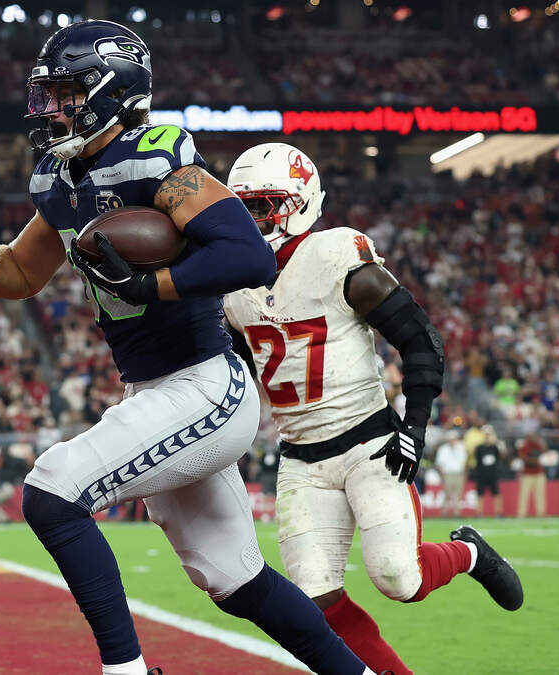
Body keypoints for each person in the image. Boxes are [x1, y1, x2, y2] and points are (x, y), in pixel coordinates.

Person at [0, 21, 370, 675]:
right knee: (236, 579)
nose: (51, 108)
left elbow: (249, 255)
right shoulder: (60, 179)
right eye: (47, 94)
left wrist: (154, 283)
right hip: (155, 389)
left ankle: (127, 670)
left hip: (204, 382)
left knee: (52, 491)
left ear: (112, 91)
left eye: (66, 93)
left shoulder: (156, 158)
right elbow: (23, 272)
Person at [221, 142, 522, 675]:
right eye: (243, 207)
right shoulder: (231, 284)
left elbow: (421, 341)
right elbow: (239, 369)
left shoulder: (336, 258)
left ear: (300, 203)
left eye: (264, 205)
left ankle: (469, 553)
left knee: (399, 578)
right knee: (315, 603)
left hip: (369, 443)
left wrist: (415, 426)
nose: (253, 220)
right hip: (300, 458)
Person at [434, 430, 468, 517]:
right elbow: (439, 463)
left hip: (458, 473)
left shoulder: (461, 447)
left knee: (458, 493)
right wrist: (442, 475)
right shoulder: (443, 449)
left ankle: (457, 512)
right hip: (447, 473)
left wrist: (464, 474)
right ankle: (444, 512)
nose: (452, 441)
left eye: (454, 439)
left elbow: (464, 462)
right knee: (447, 493)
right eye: (451, 439)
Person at [473, 425, 503, 517]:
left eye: (488, 434)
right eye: (485, 434)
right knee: (480, 493)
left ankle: (498, 512)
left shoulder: (495, 447)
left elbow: (499, 458)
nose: (487, 436)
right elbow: (477, 460)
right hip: (482, 474)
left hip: (493, 474)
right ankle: (479, 513)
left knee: (496, 493)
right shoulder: (479, 448)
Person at [516, 433, 548, 518]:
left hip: (539, 474)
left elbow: (546, 451)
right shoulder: (523, 447)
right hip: (527, 475)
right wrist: (535, 461)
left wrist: (539, 442)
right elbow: (524, 458)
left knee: (540, 495)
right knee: (524, 495)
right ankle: (521, 514)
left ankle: (541, 513)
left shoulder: (537, 445)